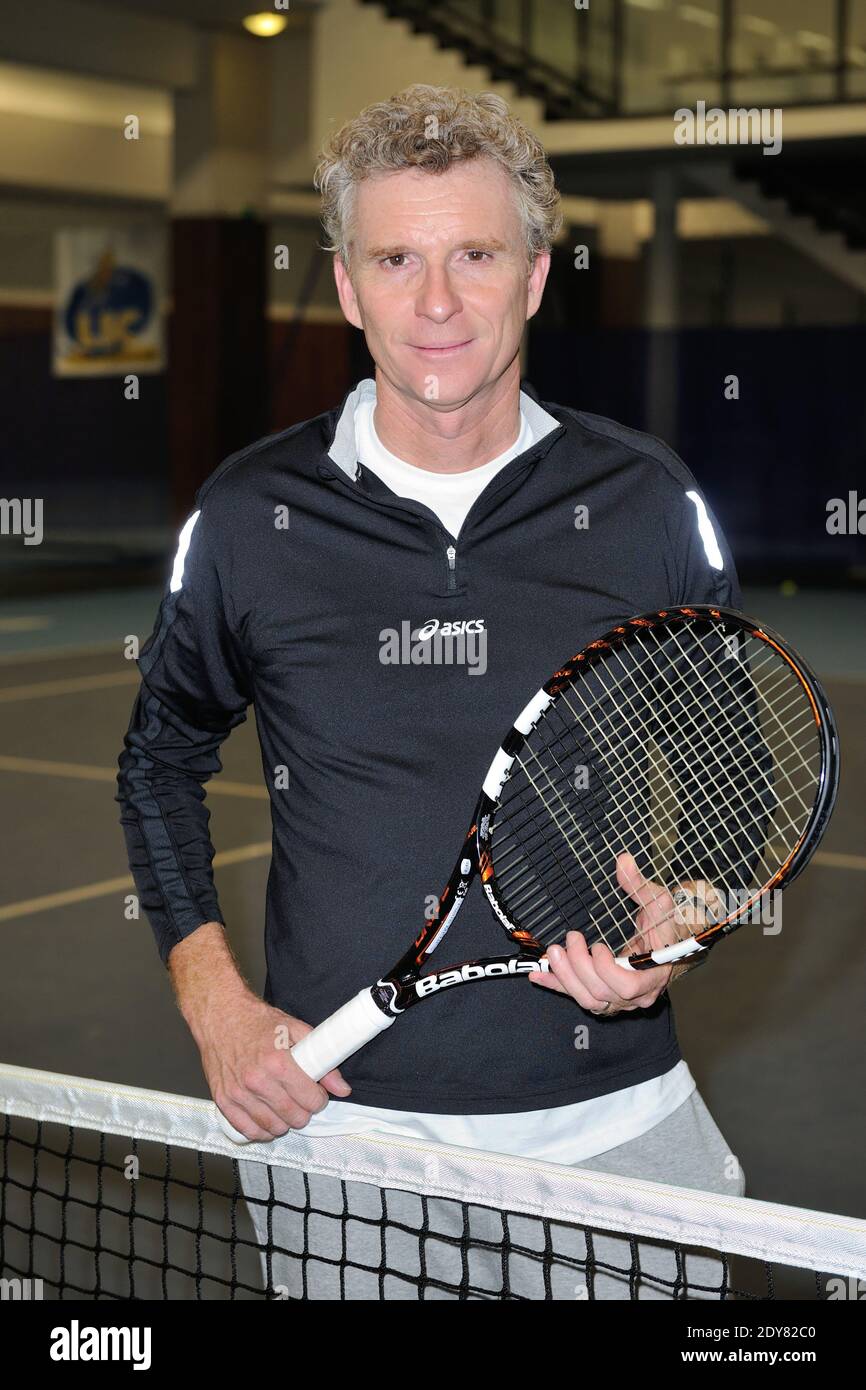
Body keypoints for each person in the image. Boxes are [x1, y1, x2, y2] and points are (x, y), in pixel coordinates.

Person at [117, 84, 745, 1297]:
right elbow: (157, 760)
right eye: (394, 258)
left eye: (475, 253)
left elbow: (743, 772)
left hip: (610, 1122)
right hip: (341, 1136)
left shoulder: (647, 502)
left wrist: (689, 921)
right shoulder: (250, 515)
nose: (438, 301)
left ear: (535, 275)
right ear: (346, 286)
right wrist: (217, 1009)